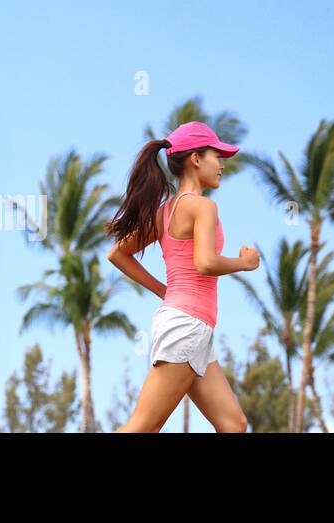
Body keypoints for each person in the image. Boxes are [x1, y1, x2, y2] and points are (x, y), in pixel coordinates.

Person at [105, 121, 258, 433]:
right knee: (142, 426)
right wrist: (243, 263)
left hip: (192, 326)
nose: (223, 165)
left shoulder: (165, 211)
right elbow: (205, 263)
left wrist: (167, 292)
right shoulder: (203, 207)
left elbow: (117, 253)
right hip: (186, 326)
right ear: (196, 159)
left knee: (234, 424)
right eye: (218, 156)